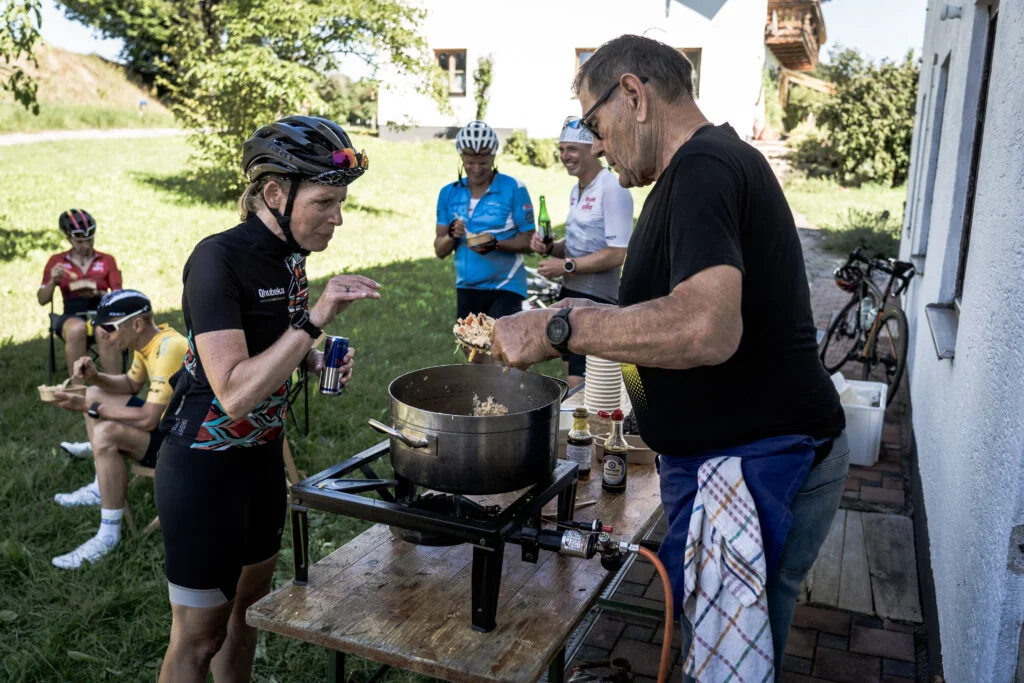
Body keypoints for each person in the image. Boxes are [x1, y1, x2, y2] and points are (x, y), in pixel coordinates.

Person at [490, 35, 847, 676]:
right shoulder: (697, 171)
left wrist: (561, 326)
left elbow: (706, 327)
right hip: (730, 457)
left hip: (759, 462)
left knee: (724, 666)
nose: (596, 144)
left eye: (596, 124)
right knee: (714, 652)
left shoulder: (705, 168)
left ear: (634, 95)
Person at [154, 115, 378, 682]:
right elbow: (231, 392)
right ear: (275, 193)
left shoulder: (290, 256)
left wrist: (316, 357)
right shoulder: (216, 259)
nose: (338, 217)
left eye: (340, 202)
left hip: (260, 463)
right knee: (198, 640)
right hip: (204, 467)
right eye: (325, 202)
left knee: (246, 620)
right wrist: (316, 319)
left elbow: (272, 343)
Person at [47, 290, 187, 569]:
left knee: (105, 431)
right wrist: (96, 378)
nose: (106, 337)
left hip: (187, 442)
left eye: (110, 329)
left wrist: (91, 408)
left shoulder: (168, 347)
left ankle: (108, 534)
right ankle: (103, 482)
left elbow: (148, 419)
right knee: (95, 392)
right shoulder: (149, 341)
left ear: (137, 324)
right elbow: (131, 384)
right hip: (173, 424)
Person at [530, 116, 633, 387]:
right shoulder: (578, 189)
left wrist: (565, 266)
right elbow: (580, 243)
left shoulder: (612, 188)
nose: (564, 156)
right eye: (561, 149)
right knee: (572, 374)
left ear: (593, 149)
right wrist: (552, 247)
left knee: (585, 383)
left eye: (572, 149)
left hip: (598, 298)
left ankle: (594, 428)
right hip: (571, 293)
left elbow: (617, 253)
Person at [434, 120, 536, 350]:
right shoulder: (448, 193)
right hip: (468, 287)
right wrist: (451, 236)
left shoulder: (514, 189)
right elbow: (439, 249)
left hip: (506, 285)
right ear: (461, 159)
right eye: (470, 162)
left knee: (500, 350)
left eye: (484, 162)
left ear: (493, 158)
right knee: (473, 353)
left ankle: (510, 386)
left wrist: (496, 244)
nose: (477, 168)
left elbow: (531, 242)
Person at [38, 209, 123, 378]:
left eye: (90, 240)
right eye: (79, 242)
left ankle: (116, 387)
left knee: (104, 331)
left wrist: (98, 293)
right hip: (71, 313)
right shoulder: (57, 261)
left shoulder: (107, 260)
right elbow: (42, 299)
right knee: (77, 329)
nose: (86, 246)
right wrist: (53, 281)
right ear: (69, 239)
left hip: (101, 310)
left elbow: (118, 297)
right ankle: (78, 390)